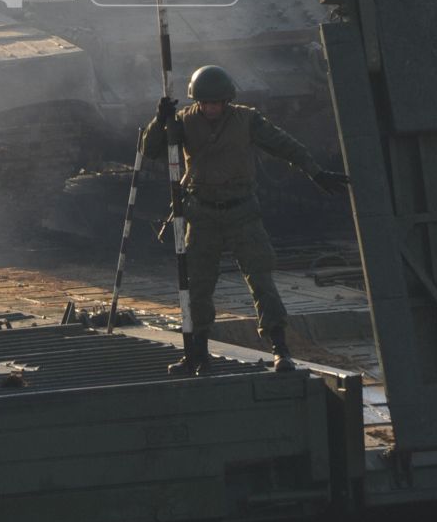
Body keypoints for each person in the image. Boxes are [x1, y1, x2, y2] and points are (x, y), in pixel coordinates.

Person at [142, 65, 348, 375]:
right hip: (202, 213)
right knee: (197, 287)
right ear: (196, 100)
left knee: (262, 281)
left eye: (217, 102)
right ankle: (197, 353)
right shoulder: (183, 121)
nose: (211, 108)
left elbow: (284, 145)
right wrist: (160, 121)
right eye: (205, 102)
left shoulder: (246, 120)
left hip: (242, 212)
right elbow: (152, 150)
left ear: (227, 100)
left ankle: (280, 349)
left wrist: (315, 171)